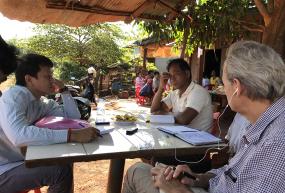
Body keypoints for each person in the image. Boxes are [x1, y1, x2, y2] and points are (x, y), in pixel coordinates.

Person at [122, 41, 285, 193]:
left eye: (224, 82)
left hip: (195, 157)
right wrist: (196, 178)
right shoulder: (258, 122)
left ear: (236, 87)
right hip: (211, 184)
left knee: (136, 171)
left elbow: (183, 119)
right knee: (142, 169)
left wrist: (177, 189)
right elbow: (233, 174)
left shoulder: (277, 141)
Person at [0, 53, 100, 193]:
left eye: (52, 76)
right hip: (4, 169)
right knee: (60, 171)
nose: (52, 81)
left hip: (22, 160)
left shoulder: (40, 102)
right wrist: (72, 135)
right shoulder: (14, 96)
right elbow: (19, 136)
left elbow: (73, 116)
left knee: (66, 160)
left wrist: (64, 90)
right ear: (29, 79)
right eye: (48, 77)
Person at [151, 58, 212, 132]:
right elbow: (154, 110)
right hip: (181, 135)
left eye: (176, 74)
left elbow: (184, 119)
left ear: (187, 74)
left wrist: (166, 114)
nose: (172, 79)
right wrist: (161, 88)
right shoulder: (175, 93)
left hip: (199, 139)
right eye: (170, 75)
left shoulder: (198, 91)